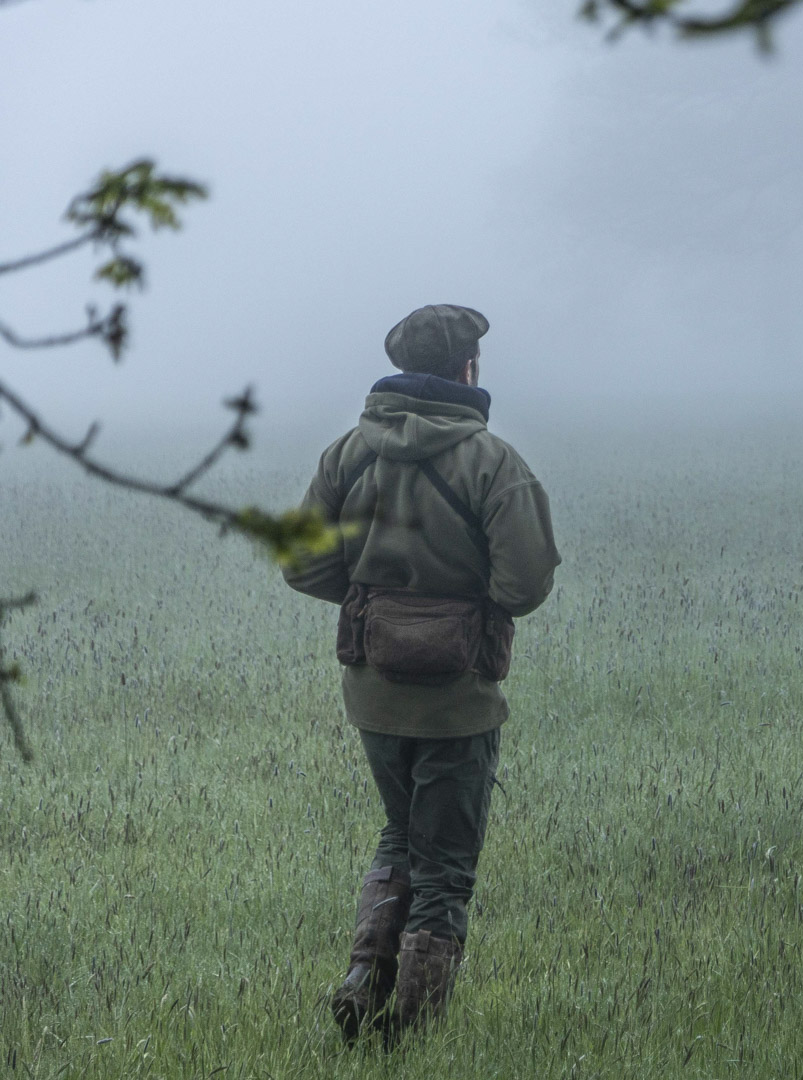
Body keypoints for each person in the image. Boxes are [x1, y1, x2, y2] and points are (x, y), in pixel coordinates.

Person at [282, 304, 561, 1040]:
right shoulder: (494, 462)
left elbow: (302, 561)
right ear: (468, 370)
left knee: (400, 837)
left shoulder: (350, 452)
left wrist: (377, 605)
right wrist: (459, 612)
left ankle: (362, 982)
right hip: (458, 696)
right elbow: (526, 584)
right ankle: (412, 1031)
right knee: (445, 869)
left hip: (372, 690)